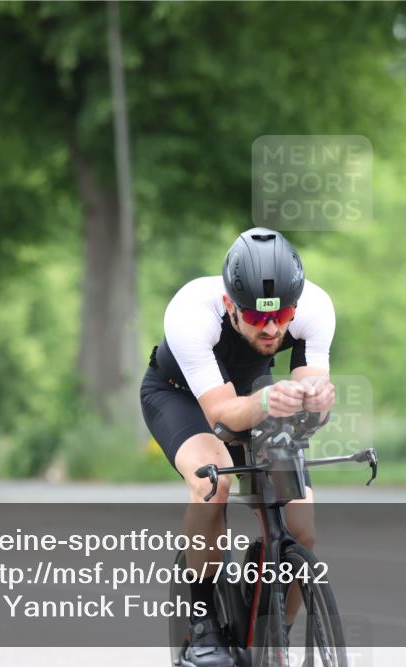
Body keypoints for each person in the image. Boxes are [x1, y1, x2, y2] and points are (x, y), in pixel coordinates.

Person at [140, 227, 336, 667]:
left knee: (302, 527)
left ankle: (275, 634)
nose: (271, 329)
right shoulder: (192, 312)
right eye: (256, 318)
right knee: (214, 483)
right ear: (230, 305)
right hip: (182, 399)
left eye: (282, 315)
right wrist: (268, 400)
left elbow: (309, 399)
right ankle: (203, 625)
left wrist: (318, 402)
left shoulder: (316, 308)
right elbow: (224, 414)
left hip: (254, 399)